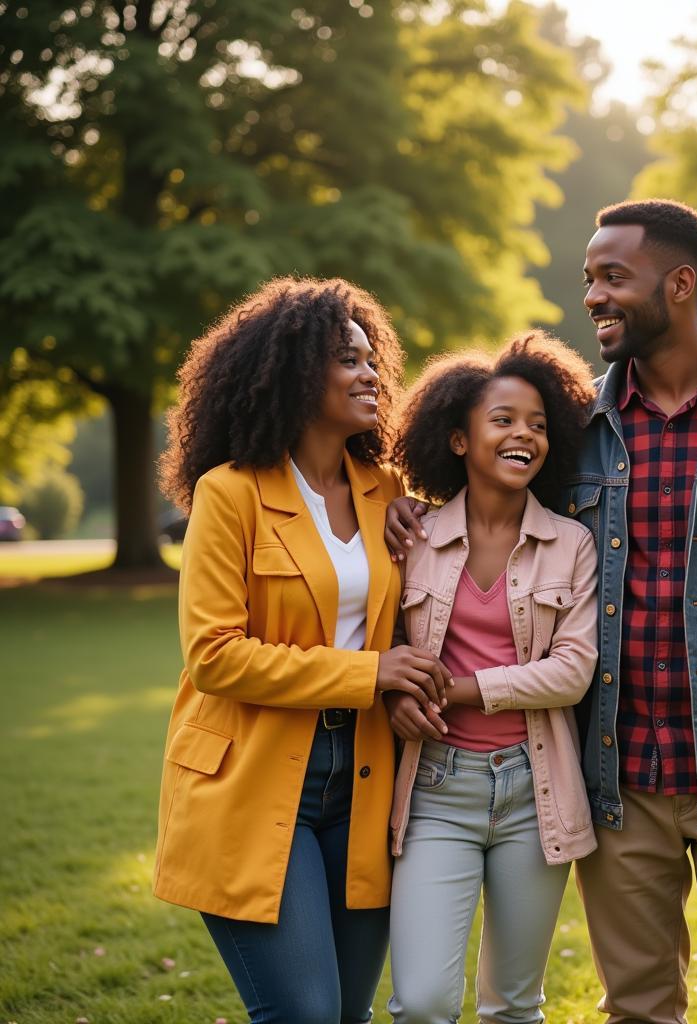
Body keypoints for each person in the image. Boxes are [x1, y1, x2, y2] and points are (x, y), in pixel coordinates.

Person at [387, 200, 697, 1024]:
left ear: (681, 284)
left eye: (612, 277)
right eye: (589, 279)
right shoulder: (573, 428)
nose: (592, 297)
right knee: (639, 1011)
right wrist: (401, 508)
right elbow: (481, 512)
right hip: (613, 787)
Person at [154, 276, 451, 1024]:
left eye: (372, 358)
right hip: (252, 777)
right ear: (293, 372)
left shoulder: (390, 493)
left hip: (366, 779)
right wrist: (372, 673)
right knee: (305, 1015)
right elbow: (215, 655)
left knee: (348, 1015)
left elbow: (423, 604)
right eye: (346, 360)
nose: (371, 374)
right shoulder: (230, 494)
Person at [384, 333, 599, 1024]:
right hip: (436, 789)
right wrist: (393, 691)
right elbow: (378, 645)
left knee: (513, 1006)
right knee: (421, 1003)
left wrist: (459, 688)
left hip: (534, 794)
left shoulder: (572, 544)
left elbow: (571, 671)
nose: (524, 436)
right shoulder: (410, 538)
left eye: (538, 424)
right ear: (457, 439)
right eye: (503, 420)